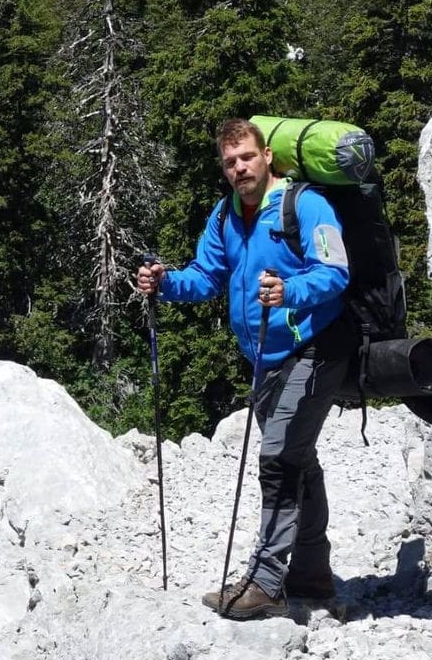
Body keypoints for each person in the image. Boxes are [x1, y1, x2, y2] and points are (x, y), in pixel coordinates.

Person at [136, 118, 352, 619]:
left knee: (278, 459)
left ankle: (268, 582)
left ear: (267, 156)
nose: (239, 168)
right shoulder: (225, 215)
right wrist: (164, 282)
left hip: (317, 348)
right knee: (300, 462)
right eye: (230, 162)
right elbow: (207, 277)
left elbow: (336, 272)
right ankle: (314, 578)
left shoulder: (306, 205)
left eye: (247, 158)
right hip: (264, 360)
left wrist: (290, 293)